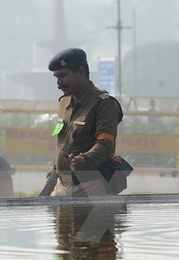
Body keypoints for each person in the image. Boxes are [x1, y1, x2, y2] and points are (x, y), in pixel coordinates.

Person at [41, 48, 123, 196]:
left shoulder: (104, 104)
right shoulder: (64, 103)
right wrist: (49, 186)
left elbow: (105, 145)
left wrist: (82, 161)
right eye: (56, 77)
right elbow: (62, 147)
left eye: (63, 76)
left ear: (81, 72)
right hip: (62, 185)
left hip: (90, 186)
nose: (59, 82)